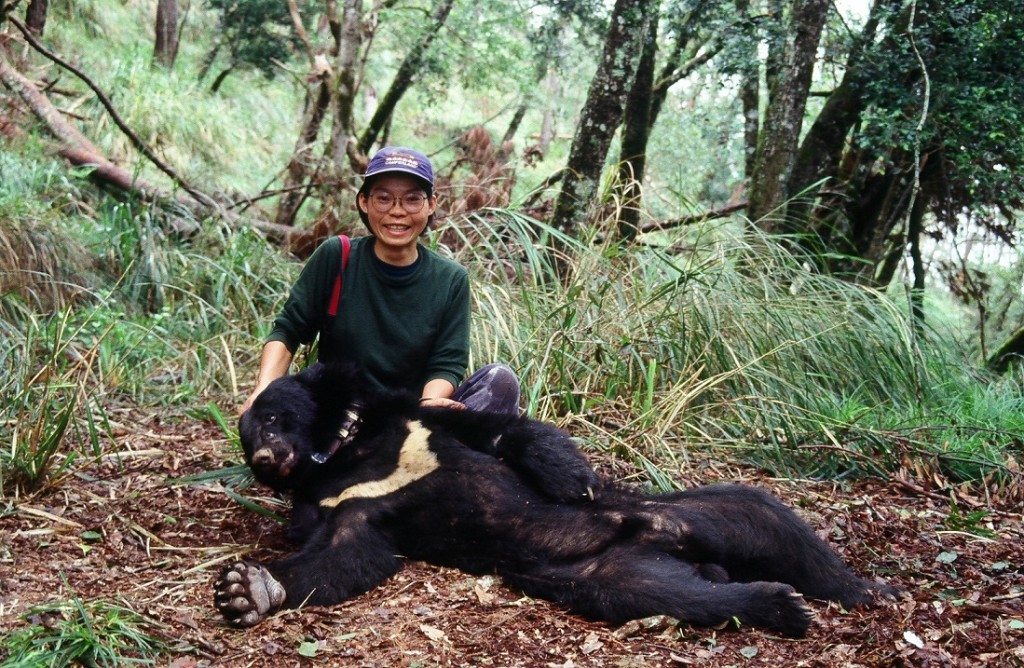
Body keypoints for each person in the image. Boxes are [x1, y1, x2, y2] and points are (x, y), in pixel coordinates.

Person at [240, 146, 520, 416]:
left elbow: (446, 363)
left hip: (409, 420)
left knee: (500, 381)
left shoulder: (451, 279)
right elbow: (288, 330)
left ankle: (427, 442)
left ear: (431, 205)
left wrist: (429, 406)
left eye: (412, 199)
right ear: (364, 202)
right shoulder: (337, 256)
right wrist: (264, 390)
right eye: (384, 198)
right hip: (336, 416)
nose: (397, 211)